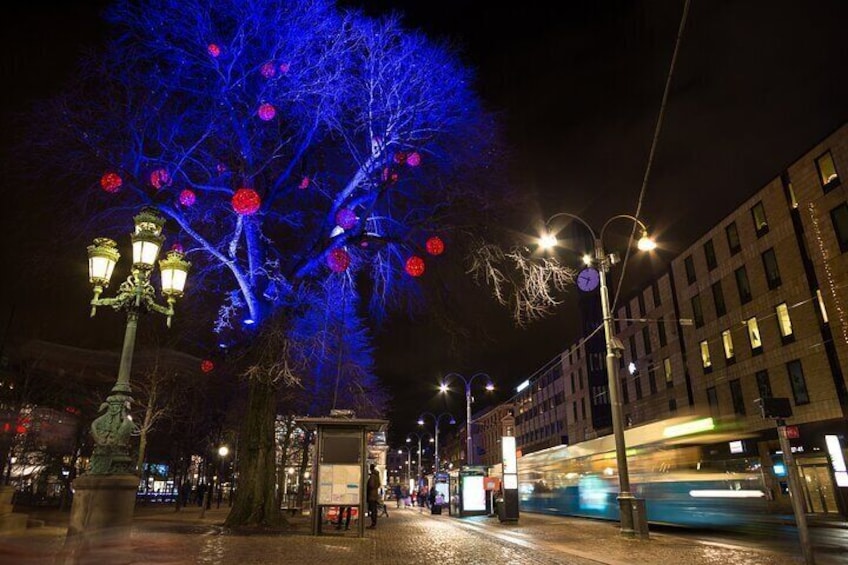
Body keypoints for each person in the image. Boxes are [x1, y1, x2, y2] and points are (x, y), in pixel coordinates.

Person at [366, 464, 380, 529]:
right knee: (374, 510)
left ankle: (373, 524)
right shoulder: (377, 476)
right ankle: (374, 523)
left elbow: (371, 485)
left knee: (372, 510)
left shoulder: (372, 476)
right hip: (375, 495)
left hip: (371, 495)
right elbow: (379, 484)